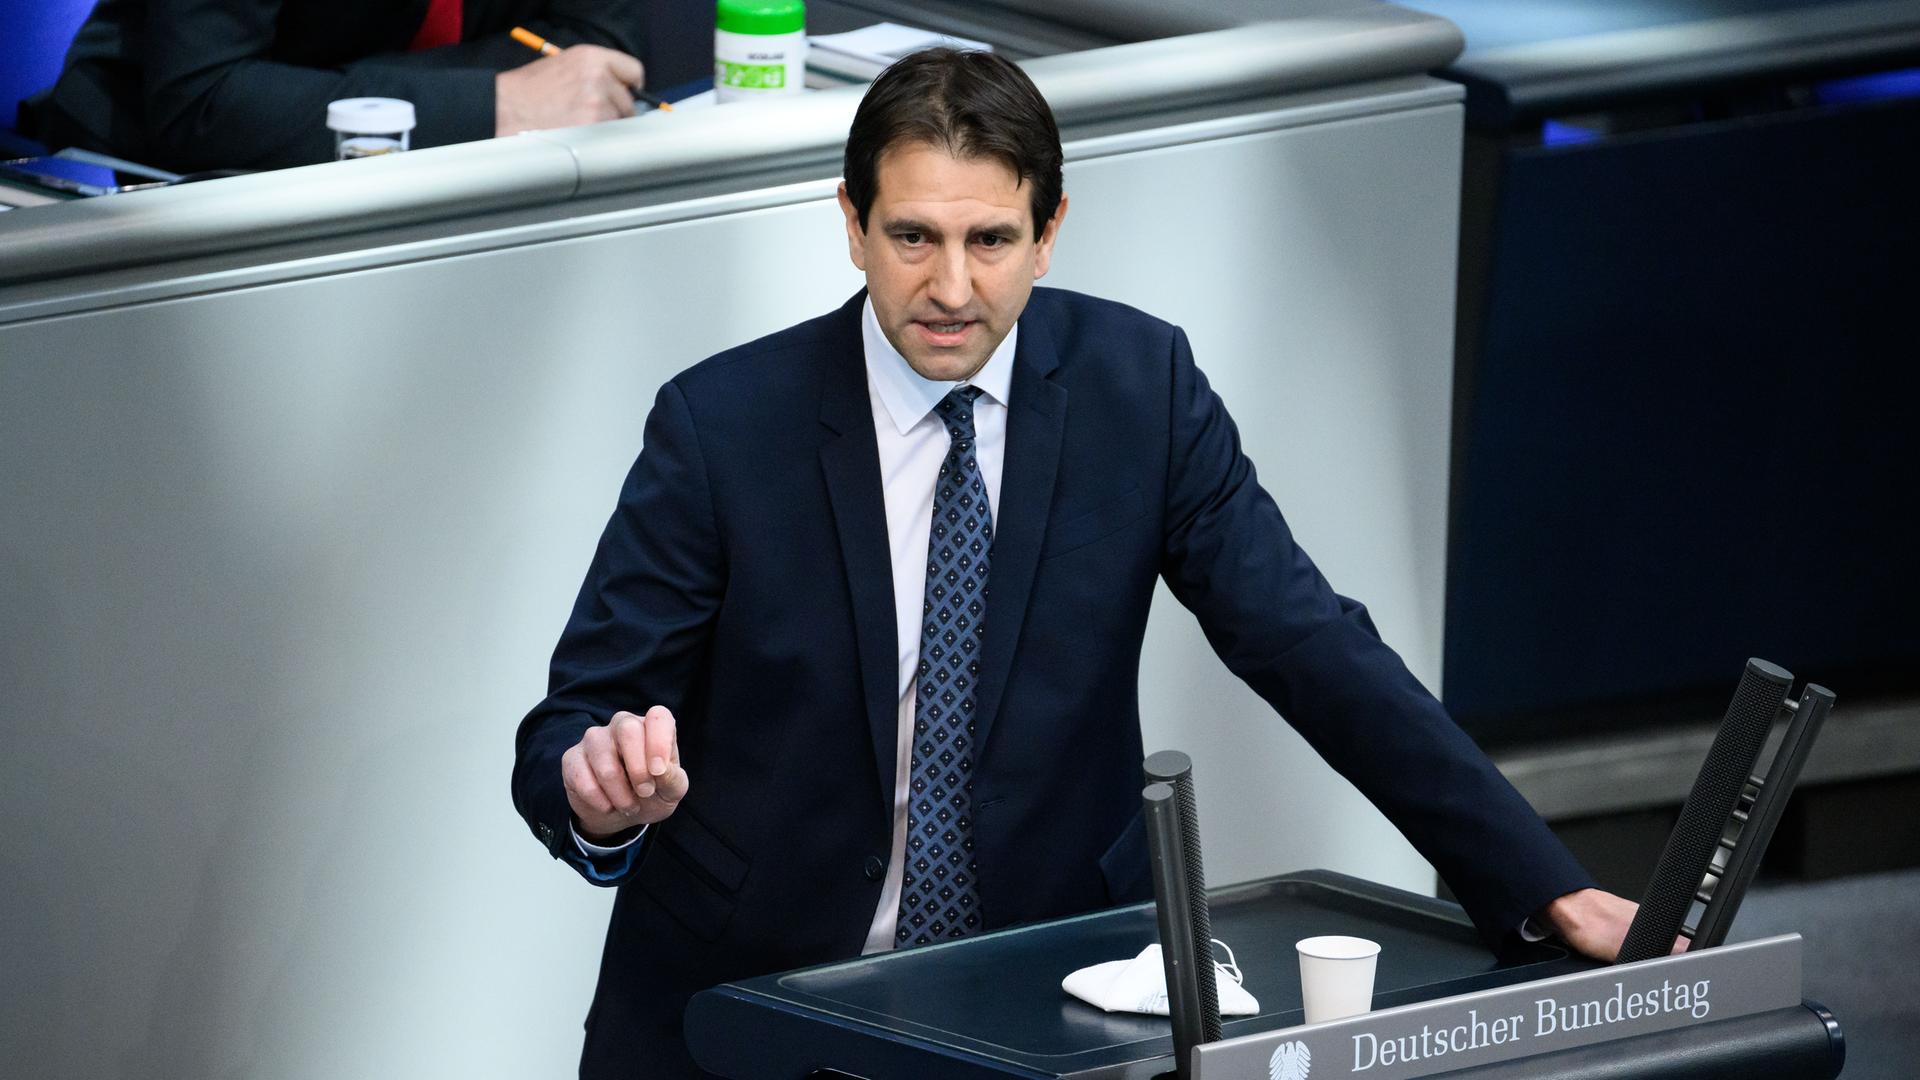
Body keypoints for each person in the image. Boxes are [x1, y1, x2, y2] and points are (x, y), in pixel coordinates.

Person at [512, 48, 1646, 1079]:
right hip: (747, 1005)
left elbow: (1309, 643)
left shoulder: (1138, 389)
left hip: (1041, 996)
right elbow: (569, 727)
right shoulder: (722, 426)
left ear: (1049, 232)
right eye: (914, 238)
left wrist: (1542, 883)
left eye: (991, 241)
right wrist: (602, 795)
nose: (952, 289)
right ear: (851, 225)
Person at [17, 0, 708, 172]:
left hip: (471, 172)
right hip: (173, 182)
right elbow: (205, 99)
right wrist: (496, 100)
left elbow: (594, 55)